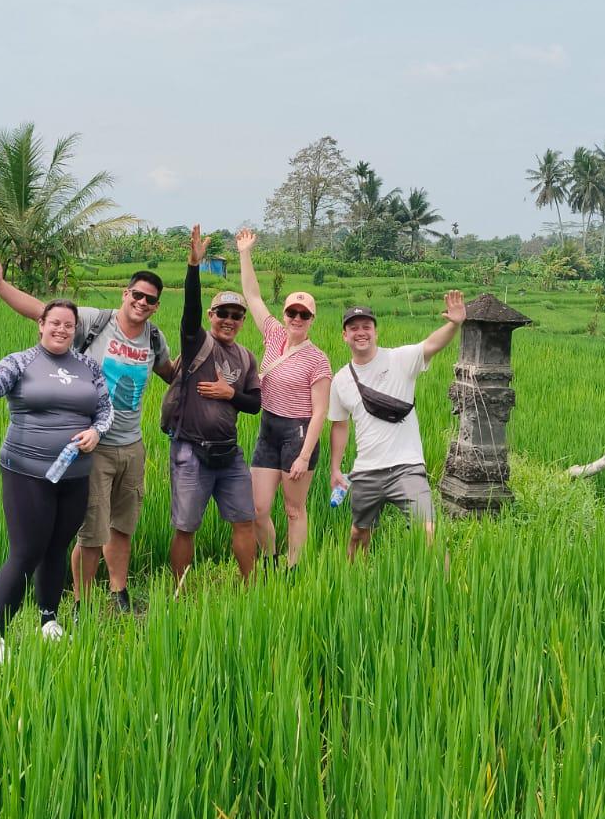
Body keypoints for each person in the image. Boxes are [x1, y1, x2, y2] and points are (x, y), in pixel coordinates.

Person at [0, 254, 175, 614]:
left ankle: (119, 592)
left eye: (150, 299)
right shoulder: (96, 321)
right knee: (91, 532)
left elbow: (170, 373)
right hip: (91, 447)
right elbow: (43, 312)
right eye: (137, 294)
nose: (142, 302)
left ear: (156, 306)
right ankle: (81, 603)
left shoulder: (154, 337)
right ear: (125, 294)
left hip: (132, 444)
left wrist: (206, 356)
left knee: (123, 525)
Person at [0, 299, 113, 661]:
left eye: (68, 325)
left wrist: (96, 432)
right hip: (27, 472)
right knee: (26, 552)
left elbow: (105, 409)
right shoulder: (21, 362)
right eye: (55, 323)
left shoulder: (88, 366)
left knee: (56, 548)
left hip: (75, 474)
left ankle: (48, 619)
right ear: (41, 325)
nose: (61, 330)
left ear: (75, 329)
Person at [327, 292, 466, 559]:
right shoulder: (341, 380)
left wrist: (454, 324)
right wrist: (335, 468)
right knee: (358, 534)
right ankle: (352, 579)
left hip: (407, 468)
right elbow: (339, 425)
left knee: (428, 532)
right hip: (366, 471)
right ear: (344, 335)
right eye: (353, 328)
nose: (360, 332)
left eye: (366, 327)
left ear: (375, 332)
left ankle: (446, 584)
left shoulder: (400, 359)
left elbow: (431, 345)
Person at [167, 225, 262, 586]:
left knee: (245, 520)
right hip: (191, 450)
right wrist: (193, 267)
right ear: (211, 315)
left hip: (229, 454)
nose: (229, 321)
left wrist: (229, 393)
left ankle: (251, 587)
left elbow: (254, 404)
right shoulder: (196, 341)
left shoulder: (246, 357)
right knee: (186, 525)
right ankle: (178, 591)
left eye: (236, 315)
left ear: (242, 321)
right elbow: (189, 311)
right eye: (223, 314)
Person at [234, 228, 331, 569]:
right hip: (269, 429)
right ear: (285, 314)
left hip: (299, 435)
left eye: (304, 315)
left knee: (293, 509)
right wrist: (245, 252)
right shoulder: (274, 334)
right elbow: (252, 296)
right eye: (292, 313)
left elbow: (320, 412)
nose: (297, 319)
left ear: (312, 319)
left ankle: (293, 567)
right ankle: (270, 558)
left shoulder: (318, 359)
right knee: (257, 508)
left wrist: (303, 457)